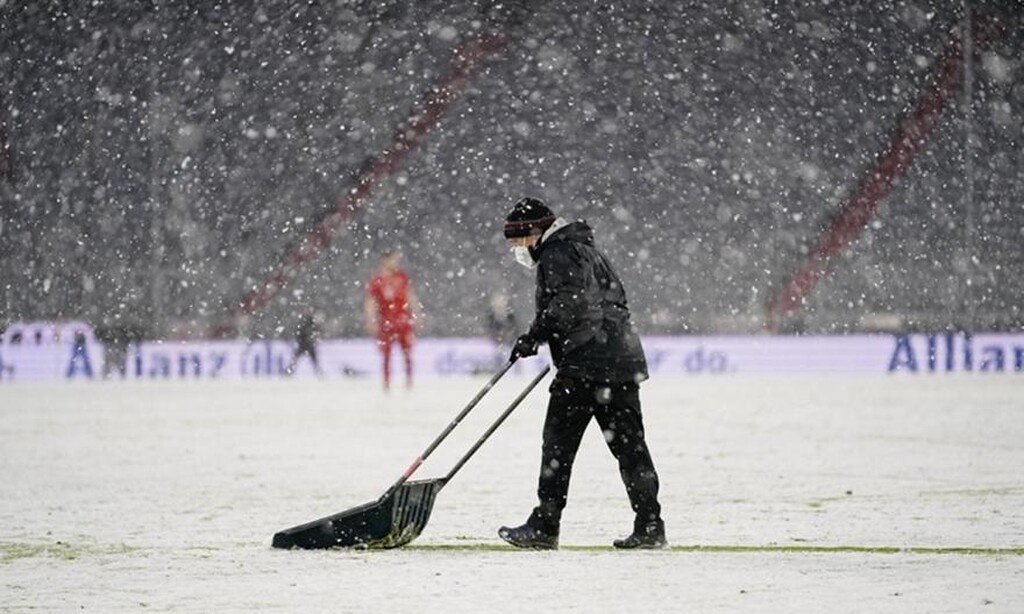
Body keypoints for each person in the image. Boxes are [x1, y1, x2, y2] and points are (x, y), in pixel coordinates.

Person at [497, 197, 666, 550]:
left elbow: (568, 304)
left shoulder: (557, 253)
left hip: (586, 365)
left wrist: (535, 336)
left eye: (518, 241)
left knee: (557, 447)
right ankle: (650, 524)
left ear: (535, 233)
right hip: (621, 361)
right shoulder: (588, 250)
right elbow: (608, 302)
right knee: (630, 448)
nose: (518, 250)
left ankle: (545, 525)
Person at [364, 250, 419, 390]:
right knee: (386, 355)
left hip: (403, 321)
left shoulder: (401, 277)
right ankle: (386, 384)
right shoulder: (377, 280)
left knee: (407, 353)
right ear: (385, 260)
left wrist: (416, 313)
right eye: (393, 260)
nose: (396, 262)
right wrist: (371, 319)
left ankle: (409, 383)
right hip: (386, 322)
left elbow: (410, 296)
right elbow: (371, 302)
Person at [286, 309, 322, 377]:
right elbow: (313, 333)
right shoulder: (309, 322)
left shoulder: (306, 322)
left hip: (305, 344)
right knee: (297, 359)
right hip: (305, 344)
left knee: (296, 359)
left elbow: (299, 333)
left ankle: (289, 371)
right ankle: (318, 372)